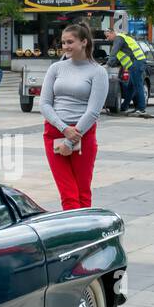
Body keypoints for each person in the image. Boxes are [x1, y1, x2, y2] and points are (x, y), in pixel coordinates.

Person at [40, 23, 108, 210]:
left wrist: (71, 140)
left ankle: (85, 234)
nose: (66, 46)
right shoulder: (56, 68)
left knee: (82, 191)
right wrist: (63, 129)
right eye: (63, 43)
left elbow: (94, 111)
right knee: (68, 193)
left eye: (70, 42)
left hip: (82, 134)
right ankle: (73, 235)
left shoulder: (98, 71)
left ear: (84, 42)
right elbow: (44, 104)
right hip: (54, 132)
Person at [105, 27, 147, 116]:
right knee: (130, 87)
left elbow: (113, 52)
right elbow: (116, 59)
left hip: (136, 62)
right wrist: (110, 63)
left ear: (112, 33)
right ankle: (124, 106)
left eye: (108, 36)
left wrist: (107, 65)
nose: (107, 39)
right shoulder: (121, 40)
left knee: (138, 85)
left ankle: (141, 109)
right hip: (135, 63)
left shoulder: (118, 38)